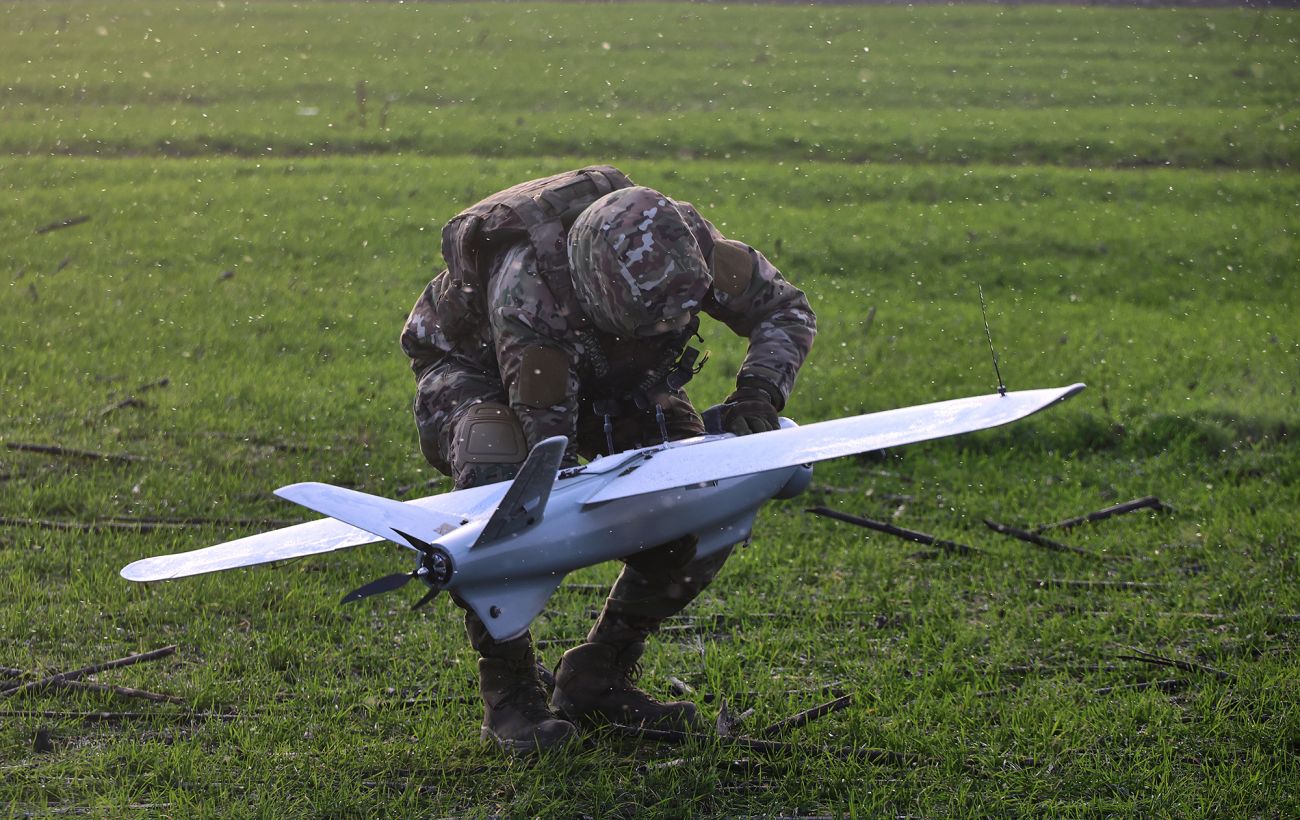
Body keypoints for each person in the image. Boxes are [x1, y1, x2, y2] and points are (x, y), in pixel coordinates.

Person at [400, 166, 816, 753]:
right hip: (477, 371)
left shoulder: (688, 246)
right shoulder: (531, 294)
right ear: (600, 293)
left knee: (700, 493)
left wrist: (758, 394)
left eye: (685, 312)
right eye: (658, 318)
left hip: (617, 374)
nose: (679, 325)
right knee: (505, 491)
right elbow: (549, 450)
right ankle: (510, 691)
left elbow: (785, 309)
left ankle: (600, 672)